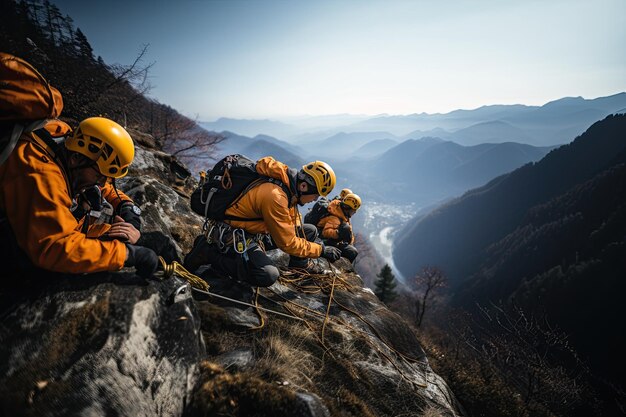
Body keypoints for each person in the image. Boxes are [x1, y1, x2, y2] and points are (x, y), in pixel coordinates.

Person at [0, 116, 158, 278]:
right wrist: (125, 254)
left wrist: (127, 208)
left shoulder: (64, 138)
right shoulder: (43, 176)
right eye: (99, 175)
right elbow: (55, 247)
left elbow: (104, 183)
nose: (102, 183)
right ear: (76, 159)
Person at [183, 157, 343, 287]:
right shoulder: (275, 196)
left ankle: (298, 266)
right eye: (315, 196)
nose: (314, 200)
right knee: (267, 274)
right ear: (304, 186)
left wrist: (306, 244)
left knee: (308, 231)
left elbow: (292, 222)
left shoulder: (288, 184)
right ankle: (208, 253)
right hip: (234, 236)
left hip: (255, 231)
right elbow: (287, 243)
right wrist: (320, 250)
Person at [316, 193, 361, 263]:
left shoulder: (344, 216)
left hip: (333, 241)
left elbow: (349, 235)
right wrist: (338, 233)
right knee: (352, 252)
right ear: (348, 208)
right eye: (353, 210)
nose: (354, 212)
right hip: (324, 241)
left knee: (352, 251)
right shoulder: (335, 217)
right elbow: (325, 232)